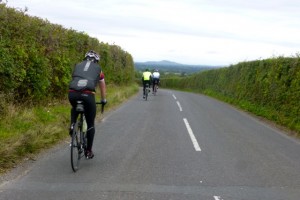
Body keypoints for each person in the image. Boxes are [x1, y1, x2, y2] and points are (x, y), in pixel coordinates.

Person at [68, 50, 107, 159]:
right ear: (96, 61)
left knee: (74, 107)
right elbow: (102, 86)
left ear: (85, 58)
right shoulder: (98, 69)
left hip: (72, 93)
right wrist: (103, 100)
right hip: (88, 95)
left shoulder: (78, 66)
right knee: (90, 124)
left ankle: (72, 125)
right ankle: (88, 151)